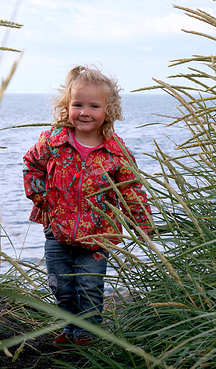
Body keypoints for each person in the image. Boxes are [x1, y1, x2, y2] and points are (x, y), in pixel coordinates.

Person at [22, 65, 151, 347]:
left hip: (97, 233)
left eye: (94, 106)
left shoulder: (116, 151)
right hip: (56, 230)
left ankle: (88, 335)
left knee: (89, 286)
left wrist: (141, 223)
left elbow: (131, 189)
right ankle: (70, 330)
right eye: (77, 104)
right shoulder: (53, 141)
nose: (84, 112)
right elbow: (31, 165)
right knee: (62, 286)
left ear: (109, 110)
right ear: (66, 106)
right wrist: (42, 198)